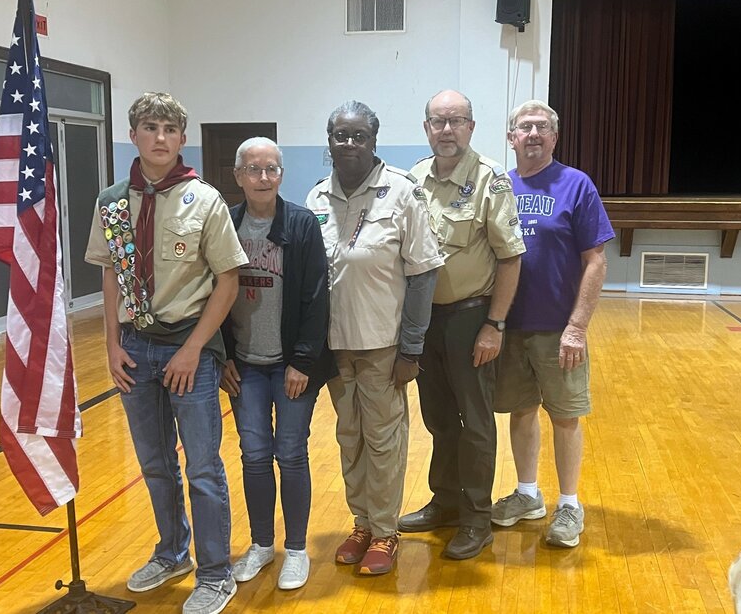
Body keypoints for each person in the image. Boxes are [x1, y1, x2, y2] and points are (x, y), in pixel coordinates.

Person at [85, 92, 248, 614]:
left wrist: (195, 348)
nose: (160, 137)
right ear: (133, 135)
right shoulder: (112, 201)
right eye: (150, 127)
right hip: (136, 349)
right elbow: (111, 273)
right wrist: (112, 343)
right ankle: (171, 552)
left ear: (182, 139)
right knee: (155, 465)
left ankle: (216, 572)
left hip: (188, 351)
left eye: (170, 129)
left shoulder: (204, 200)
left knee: (202, 466)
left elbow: (228, 280)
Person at [306, 100, 443, 575]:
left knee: (384, 440)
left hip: (384, 346)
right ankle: (361, 522)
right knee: (350, 438)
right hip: (336, 345)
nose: (348, 143)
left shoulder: (402, 193)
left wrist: (411, 348)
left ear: (373, 140)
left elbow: (424, 275)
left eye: (358, 135)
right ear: (329, 141)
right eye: (340, 135)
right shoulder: (317, 197)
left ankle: (385, 532)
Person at [398, 89, 525, 560]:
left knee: (474, 422)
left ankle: (476, 517)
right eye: (437, 121)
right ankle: (445, 502)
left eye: (456, 121)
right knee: (437, 417)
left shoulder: (490, 179)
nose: (446, 130)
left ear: (471, 126)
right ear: (426, 127)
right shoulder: (412, 179)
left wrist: (495, 324)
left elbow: (510, 259)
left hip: (471, 317)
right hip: (423, 321)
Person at [490, 99, 614, 549]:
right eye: (526, 127)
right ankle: (527, 495)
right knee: (520, 411)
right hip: (510, 326)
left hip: (560, 330)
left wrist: (577, 326)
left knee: (565, 416)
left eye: (543, 127)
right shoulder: (500, 186)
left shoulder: (576, 185)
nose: (534, 134)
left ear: (555, 138)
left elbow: (596, 260)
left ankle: (568, 504)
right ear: (512, 138)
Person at [219, 137, 334, 590]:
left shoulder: (302, 225)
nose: (262, 178)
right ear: (238, 175)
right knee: (252, 455)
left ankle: (298, 549)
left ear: (281, 175)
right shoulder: (226, 224)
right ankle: (262, 544)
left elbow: (315, 297)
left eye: (270, 169)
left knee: (291, 453)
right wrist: (224, 355)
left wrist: (303, 361)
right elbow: (214, 294)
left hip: (290, 367)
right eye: (253, 169)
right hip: (244, 366)